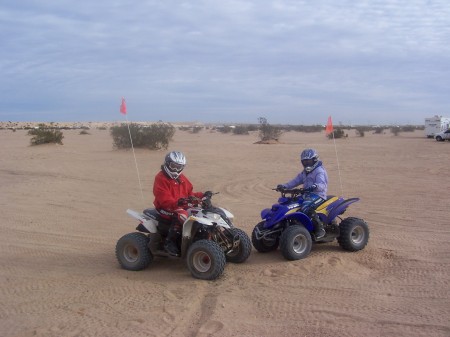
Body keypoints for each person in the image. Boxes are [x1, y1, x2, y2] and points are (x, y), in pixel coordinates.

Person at [153, 151, 205, 256]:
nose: (176, 169)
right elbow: (163, 198)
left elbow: (190, 194)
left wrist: (202, 196)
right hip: (165, 207)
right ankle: (169, 242)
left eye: (179, 167)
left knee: (200, 212)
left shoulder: (182, 178)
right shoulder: (161, 178)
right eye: (173, 166)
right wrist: (178, 202)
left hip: (180, 205)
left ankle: (199, 237)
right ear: (167, 163)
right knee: (182, 215)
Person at [277, 148, 328, 239]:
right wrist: (284, 186)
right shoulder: (305, 172)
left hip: (318, 195)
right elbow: (295, 181)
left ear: (314, 160)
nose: (306, 163)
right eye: (304, 161)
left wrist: (314, 186)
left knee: (306, 207)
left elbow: (322, 185)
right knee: (292, 204)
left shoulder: (319, 171)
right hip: (307, 195)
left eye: (308, 161)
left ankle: (320, 229)